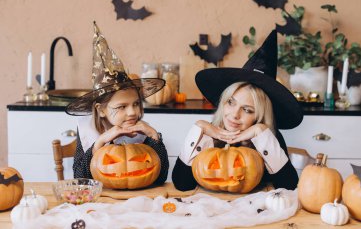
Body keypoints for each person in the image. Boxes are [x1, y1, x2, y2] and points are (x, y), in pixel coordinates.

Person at [172, 30, 303, 191]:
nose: (234, 115)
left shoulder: (270, 137)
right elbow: (182, 184)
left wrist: (260, 132)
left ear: (260, 115)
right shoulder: (209, 133)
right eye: (231, 103)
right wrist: (199, 128)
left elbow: (289, 186)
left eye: (247, 110)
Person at [65, 22, 169, 185]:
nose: (132, 112)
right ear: (101, 110)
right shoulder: (88, 129)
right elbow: (80, 181)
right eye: (122, 107)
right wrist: (100, 142)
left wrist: (154, 138)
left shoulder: (142, 131)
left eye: (136, 104)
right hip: (101, 203)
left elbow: (160, 178)